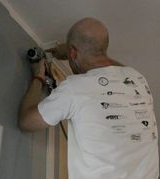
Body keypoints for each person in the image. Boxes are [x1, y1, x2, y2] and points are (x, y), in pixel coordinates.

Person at [19, 17, 159, 179]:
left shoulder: (74, 88)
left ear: (72, 52)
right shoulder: (138, 78)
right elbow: (117, 68)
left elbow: (26, 122)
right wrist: (74, 51)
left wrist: (38, 77)